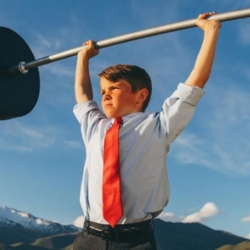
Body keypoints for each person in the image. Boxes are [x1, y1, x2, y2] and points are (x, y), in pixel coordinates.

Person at [72, 12, 221, 250]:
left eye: (114, 88)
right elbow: (82, 95)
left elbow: (194, 84)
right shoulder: (94, 126)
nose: (106, 94)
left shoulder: (159, 126)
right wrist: (83, 58)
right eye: (103, 91)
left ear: (140, 95)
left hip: (135, 241)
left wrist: (210, 31)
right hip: (89, 238)